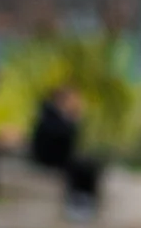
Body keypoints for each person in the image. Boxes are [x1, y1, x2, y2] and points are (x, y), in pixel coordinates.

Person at [27, 85, 103, 219]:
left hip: (59, 156)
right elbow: (59, 138)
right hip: (48, 157)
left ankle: (84, 200)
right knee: (80, 167)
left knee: (89, 165)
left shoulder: (59, 115)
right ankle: (78, 203)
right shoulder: (49, 114)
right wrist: (73, 121)